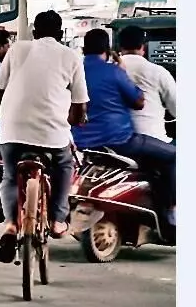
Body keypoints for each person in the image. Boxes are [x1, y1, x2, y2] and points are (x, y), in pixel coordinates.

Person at [0, 10, 88, 263]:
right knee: (65, 165)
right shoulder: (71, 56)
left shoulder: (17, 49)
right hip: (52, 132)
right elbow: (79, 104)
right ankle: (57, 220)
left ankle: (11, 224)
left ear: (34, 33)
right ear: (60, 33)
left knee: (10, 176)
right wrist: (76, 120)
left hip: (13, 128)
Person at [73, 28, 176, 226]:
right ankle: (173, 209)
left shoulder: (76, 70)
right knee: (175, 156)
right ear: (143, 48)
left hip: (82, 140)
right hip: (119, 138)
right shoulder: (117, 71)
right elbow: (139, 102)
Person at [118, 25, 176, 144]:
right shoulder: (158, 71)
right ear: (143, 47)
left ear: (120, 46)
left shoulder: (108, 69)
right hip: (154, 140)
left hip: (115, 141)